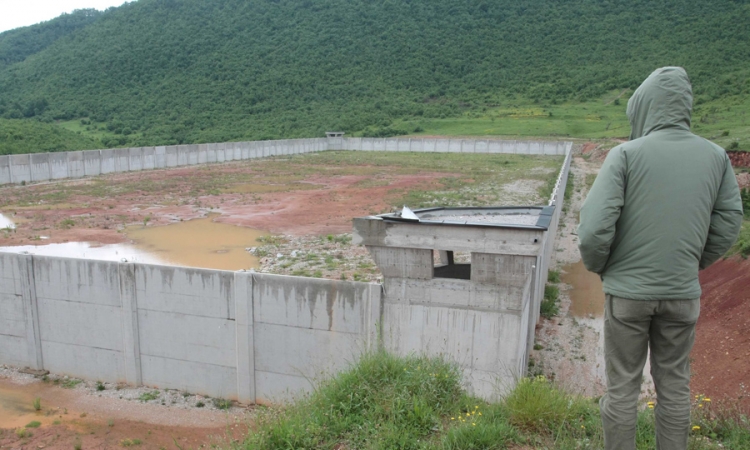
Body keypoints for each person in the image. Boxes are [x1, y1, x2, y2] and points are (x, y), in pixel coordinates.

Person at [577, 67, 743, 450]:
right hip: (682, 294)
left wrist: (604, 267)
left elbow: (593, 229)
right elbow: (730, 220)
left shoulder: (625, 155)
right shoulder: (716, 157)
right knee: (675, 386)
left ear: (644, 108)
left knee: (622, 388)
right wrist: (694, 261)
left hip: (628, 297)